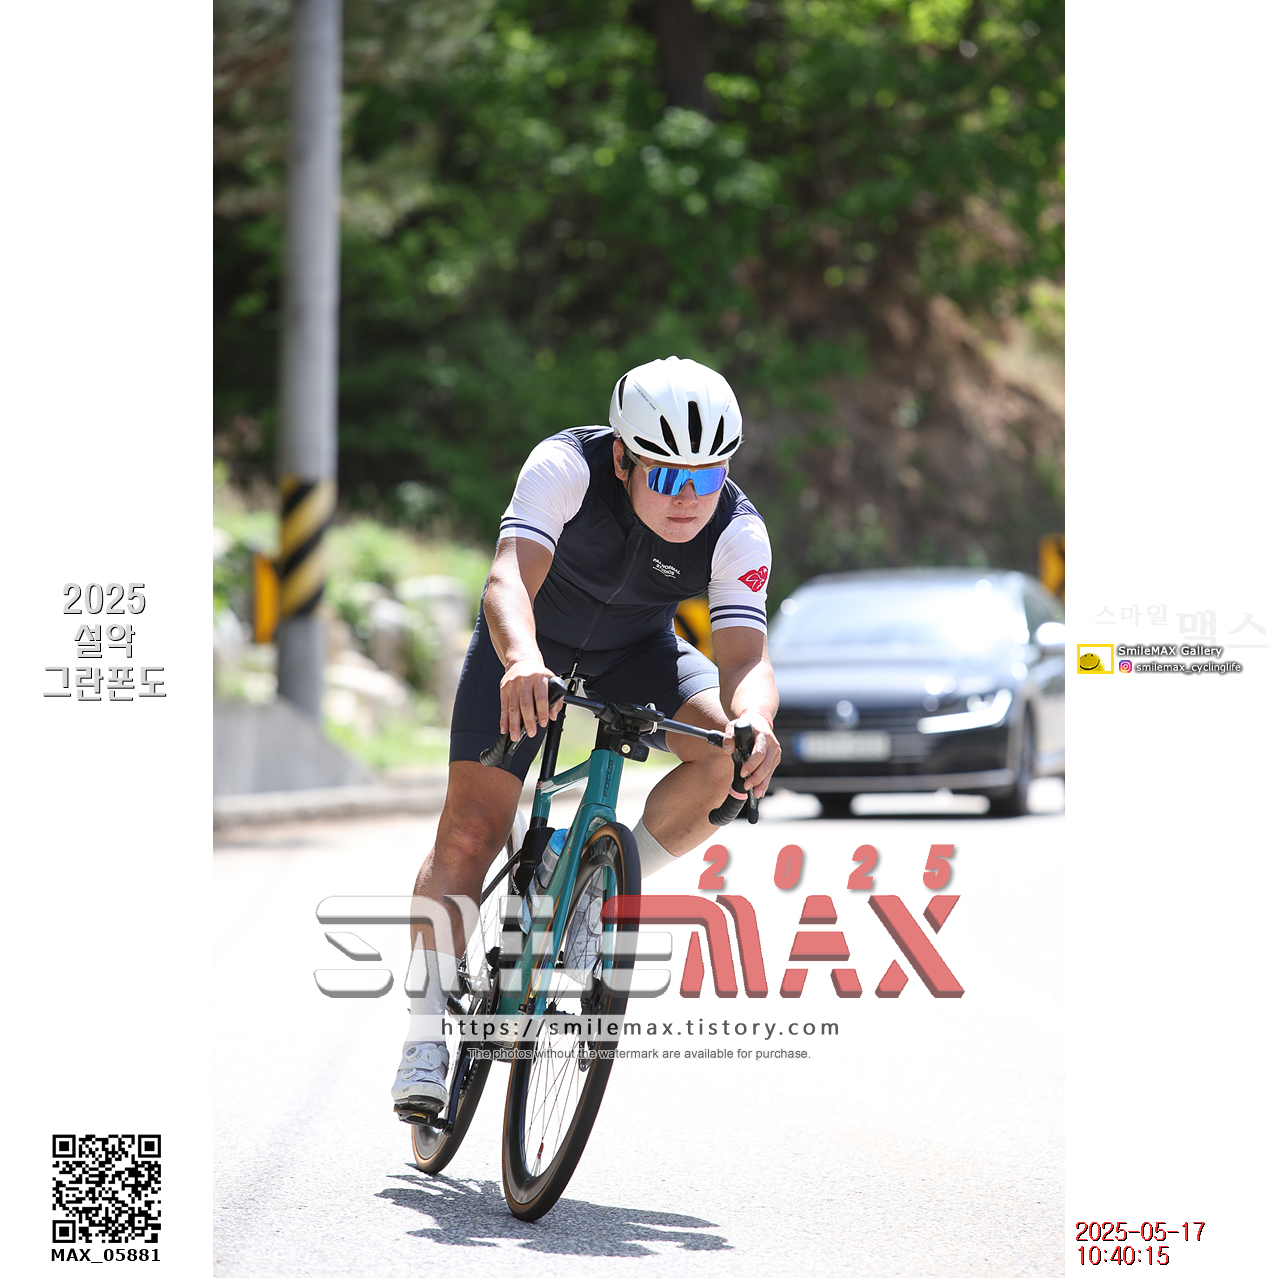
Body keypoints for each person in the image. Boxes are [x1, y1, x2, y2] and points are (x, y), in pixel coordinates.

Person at [392, 355, 782, 1117]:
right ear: (623, 459)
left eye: (707, 477)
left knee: (728, 760)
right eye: (666, 476)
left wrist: (755, 723)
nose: (688, 498)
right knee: (471, 831)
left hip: (638, 653)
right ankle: (426, 1030)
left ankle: (590, 885)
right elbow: (508, 578)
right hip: (527, 647)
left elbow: (744, 659)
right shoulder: (564, 465)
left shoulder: (739, 529)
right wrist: (521, 660)